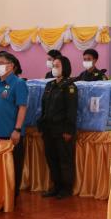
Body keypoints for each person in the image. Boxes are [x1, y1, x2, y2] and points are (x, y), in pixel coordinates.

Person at [0, 52, 29, 196]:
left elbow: (22, 107)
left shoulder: (18, 83)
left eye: (1, 63)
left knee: (13, 168)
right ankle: (0, 196)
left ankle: (12, 197)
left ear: (11, 66)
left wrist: (17, 129)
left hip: (11, 134)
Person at [38, 55, 78, 198]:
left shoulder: (70, 87)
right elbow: (44, 106)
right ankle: (56, 186)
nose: (54, 68)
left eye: (57, 66)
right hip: (48, 129)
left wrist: (68, 130)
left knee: (64, 160)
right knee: (52, 158)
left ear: (64, 67)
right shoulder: (50, 85)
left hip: (62, 130)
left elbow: (71, 110)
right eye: (53, 66)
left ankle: (66, 188)